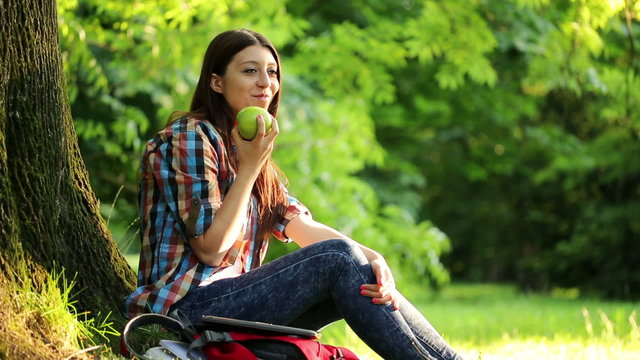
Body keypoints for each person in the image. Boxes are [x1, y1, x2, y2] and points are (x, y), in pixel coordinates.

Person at [125, 28, 462, 360]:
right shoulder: (190, 137)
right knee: (339, 257)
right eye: (250, 71)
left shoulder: (250, 151)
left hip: (231, 310)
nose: (265, 82)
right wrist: (250, 167)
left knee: (355, 267)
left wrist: (374, 258)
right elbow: (211, 250)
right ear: (216, 82)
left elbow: (300, 226)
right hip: (185, 313)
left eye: (272, 72)